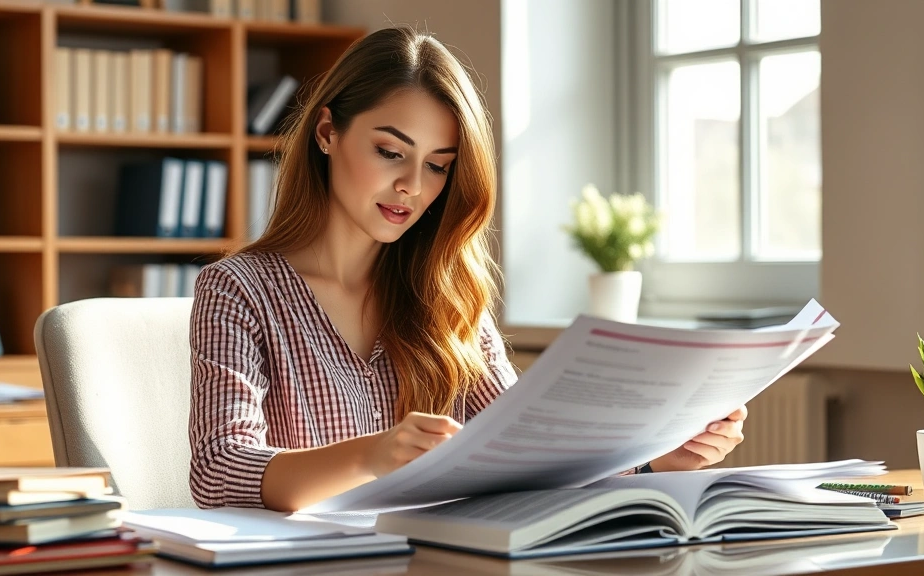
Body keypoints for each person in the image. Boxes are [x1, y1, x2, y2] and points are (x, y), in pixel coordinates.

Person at [188, 26, 748, 512]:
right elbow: (219, 470)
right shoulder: (239, 289)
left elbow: (530, 455)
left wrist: (655, 461)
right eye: (390, 151)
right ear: (328, 132)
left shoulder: (447, 295)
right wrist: (374, 454)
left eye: (437, 166)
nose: (412, 185)